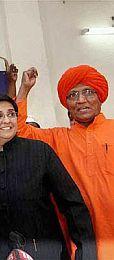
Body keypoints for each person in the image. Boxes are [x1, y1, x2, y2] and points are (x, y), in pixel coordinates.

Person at [0, 93, 96, 259]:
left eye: (11, 114)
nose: (6, 120)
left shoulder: (40, 151)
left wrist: (86, 253)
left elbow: (72, 205)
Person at [16, 65, 114, 259]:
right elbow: (20, 132)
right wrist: (24, 90)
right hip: (84, 240)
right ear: (67, 104)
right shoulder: (58, 138)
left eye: (88, 92)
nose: (81, 100)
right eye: (72, 95)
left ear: (100, 97)